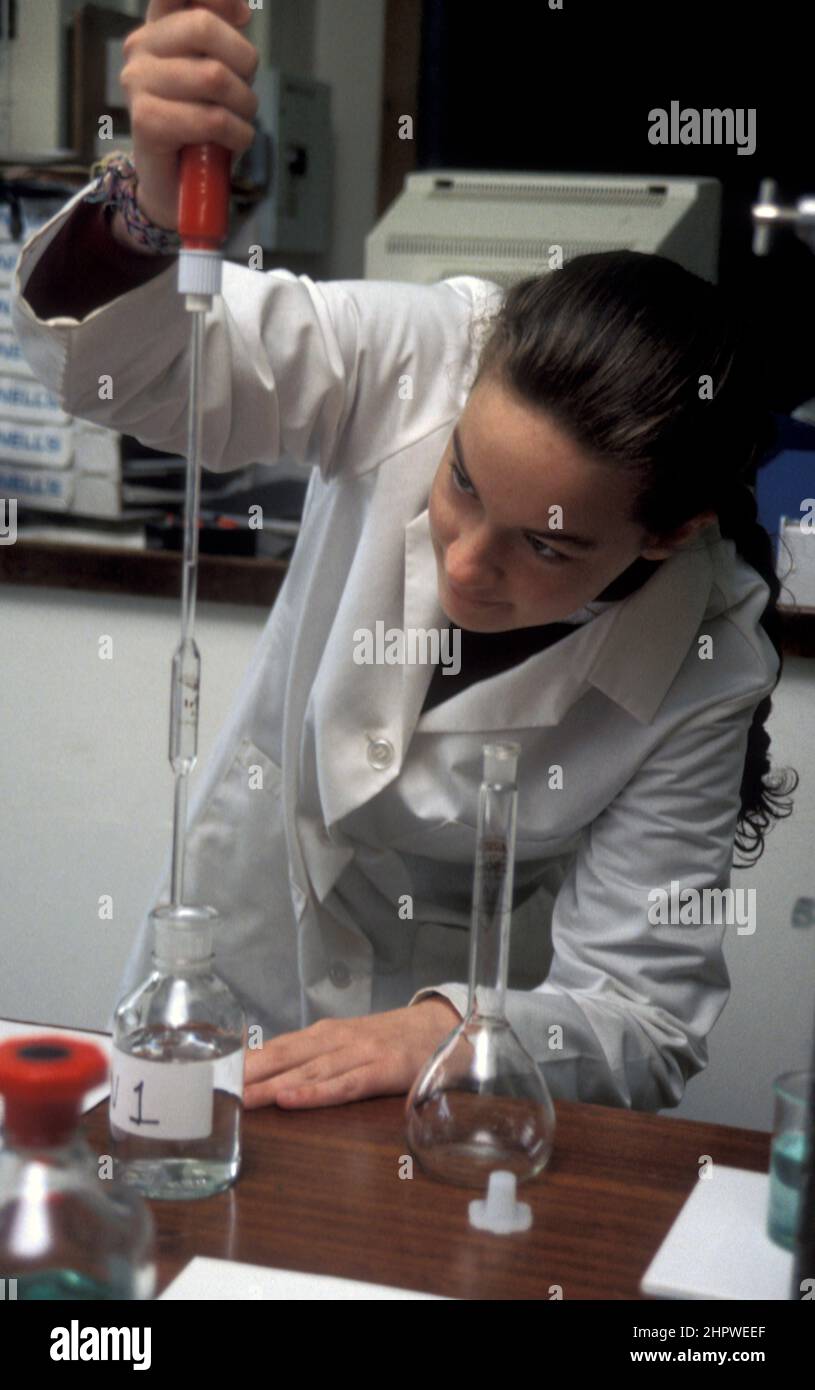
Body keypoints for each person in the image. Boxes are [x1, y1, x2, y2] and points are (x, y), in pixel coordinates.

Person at [11, 0, 797, 1115]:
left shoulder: (705, 656)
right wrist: (145, 201)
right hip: (238, 965)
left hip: (464, 1088)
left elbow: (641, 1015)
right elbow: (116, 374)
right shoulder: (433, 355)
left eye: (546, 545)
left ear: (667, 533)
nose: (468, 565)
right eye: (462, 484)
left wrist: (449, 1025)